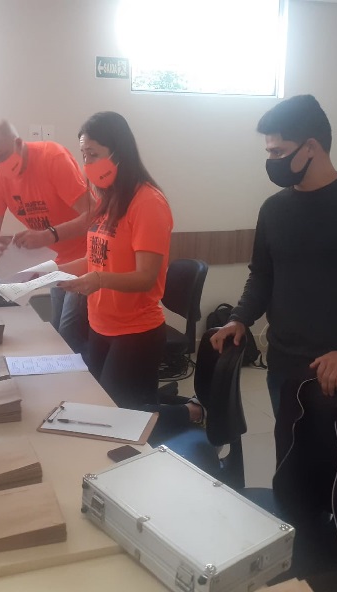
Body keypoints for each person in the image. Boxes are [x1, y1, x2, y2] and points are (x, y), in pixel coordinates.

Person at [211, 94, 337, 418]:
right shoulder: (273, 209)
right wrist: (239, 318)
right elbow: (262, 274)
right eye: (268, 152)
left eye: (278, 151)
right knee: (288, 445)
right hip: (283, 364)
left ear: (311, 147)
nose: (271, 160)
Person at [57, 111, 203, 426]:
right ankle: (174, 407)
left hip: (135, 331)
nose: (87, 163)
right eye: (83, 155)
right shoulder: (106, 200)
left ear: (118, 153)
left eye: (93, 154)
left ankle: (192, 412)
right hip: (100, 324)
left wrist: (97, 280)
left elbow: (145, 277)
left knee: (119, 419)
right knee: (104, 406)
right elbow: (95, 258)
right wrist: (52, 271)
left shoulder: (148, 202)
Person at [0, 119, 94, 355]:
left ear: (18, 143)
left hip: (85, 260)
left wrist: (48, 236)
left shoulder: (53, 158)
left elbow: (93, 216)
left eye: (2, 155)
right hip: (54, 264)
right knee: (58, 335)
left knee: (69, 336)